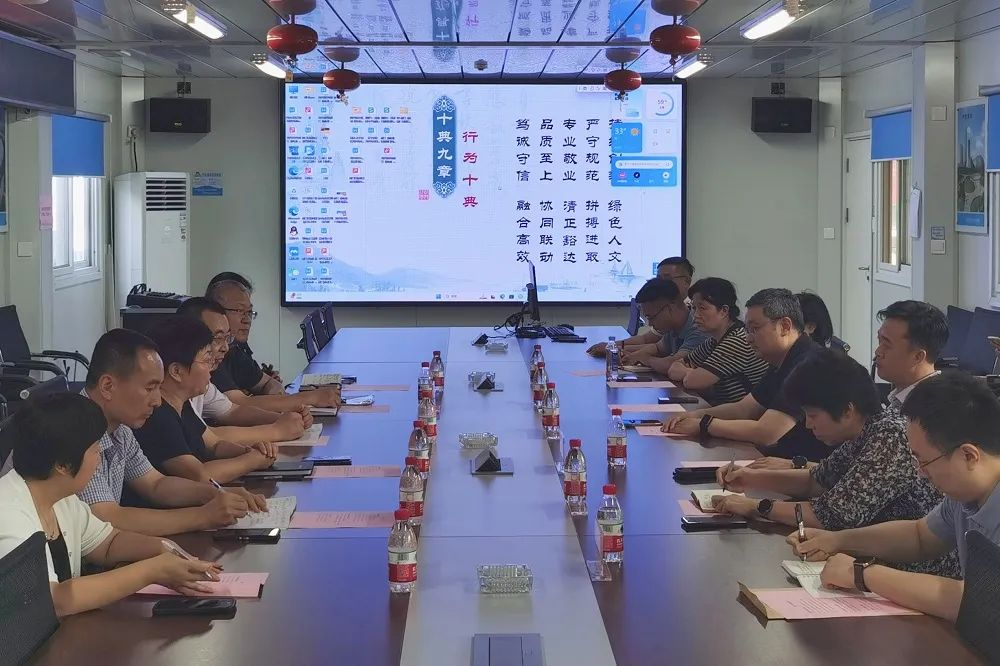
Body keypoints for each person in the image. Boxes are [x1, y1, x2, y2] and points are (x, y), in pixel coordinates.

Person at [714, 350, 958, 574]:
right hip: (877, 559)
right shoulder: (867, 430)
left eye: (813, 415)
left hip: (913, 572)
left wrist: (756, 507)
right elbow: (816, 480)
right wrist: (750, 477)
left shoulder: (890, 435)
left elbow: (832, 517)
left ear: (847, 410)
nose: (808, 425)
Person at [789, 373, 1000, 621]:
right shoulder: (963, 496)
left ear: (969, 456)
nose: (920, 473)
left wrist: (862, 574)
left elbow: (980, 600)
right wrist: (836, 540)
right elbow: (920, 536)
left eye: (924, 461)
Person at [0, 393, 222, 617]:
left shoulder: (61, 499)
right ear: (63, 465)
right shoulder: (9, 513)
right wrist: (153, 570)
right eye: (95, 451)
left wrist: (163, 548)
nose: (98, 460)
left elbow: (108, 543)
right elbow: (54, 600)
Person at [79, 329, 266, 536]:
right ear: (107, 386)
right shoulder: (76, 432)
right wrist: (203, 516)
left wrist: (215, 493)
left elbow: (156, 484)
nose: (157, 401)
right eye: (149, 388)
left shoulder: (120, 429)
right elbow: (108, 517)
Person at [663, 288, 829, 461]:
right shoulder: (782, 359)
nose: (748, 338)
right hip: (786, 458)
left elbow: (767, 432)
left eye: (755, 329)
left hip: (811, 466)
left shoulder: (809, 364)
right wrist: (694, 415)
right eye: (747, 330)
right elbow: (744, 409)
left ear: (785, 326)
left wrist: (704, 424)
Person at [135, 317, 277, 484]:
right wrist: (252, 461)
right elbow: (199, 475)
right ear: (176, 371)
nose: (211, 367)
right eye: (207, 359)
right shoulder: (156, 415)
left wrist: (248, 451)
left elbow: (214, 445)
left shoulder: (183, 404)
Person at [176, 297, 310, 443]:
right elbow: (206, 437)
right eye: (218, 339)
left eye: (227, 338)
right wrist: (277, 430)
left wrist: (283, 419)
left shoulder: (201, 378)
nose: (225, 348)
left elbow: (232, 411)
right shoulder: (172, 387)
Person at [204, 282, 341, 413]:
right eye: (240, 310)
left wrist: (276, 399)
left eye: (249, 312)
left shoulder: (234, 350)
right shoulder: (209, 355)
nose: (247, 320)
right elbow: (235, 407)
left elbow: (269, 383)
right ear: (215, 312)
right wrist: (309, 398)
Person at [666, 277, 769, 405]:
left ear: (724, 311)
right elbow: (673, 368)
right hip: (726, 410)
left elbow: (692, 381)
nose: (695, 315)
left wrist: (692, 375)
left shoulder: (737, 341)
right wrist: (693, 374)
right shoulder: (713, 341)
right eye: (693, 308)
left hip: (746, 414)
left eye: (702, 308)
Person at [586, 256, 694, 357]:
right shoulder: (664, 311)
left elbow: (673, 359)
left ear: (687, 281)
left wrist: (614, 348)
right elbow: (649, 342)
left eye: (667, 279)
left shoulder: (694, 314)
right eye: (658, 279)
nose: (660, 284)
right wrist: (612, 346)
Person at [617, 278, 709, 374]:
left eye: (651, 317)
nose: (650, 324)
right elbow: (657, 348)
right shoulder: (673, 327)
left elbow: (673, 364)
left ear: (670, 308)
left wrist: (647, 359)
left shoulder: (699, 330)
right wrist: (632, 356)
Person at [874, 300, 948, 412]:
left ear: (918, 356)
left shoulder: (931, 411)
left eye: (887, 345)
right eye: (880, 341)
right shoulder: (900, 398)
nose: (878, 352)